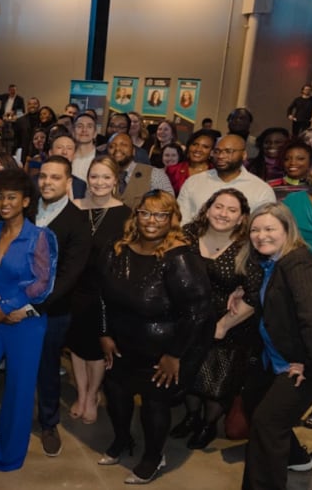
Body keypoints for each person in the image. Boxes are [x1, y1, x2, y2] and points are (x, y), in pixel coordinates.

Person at [97, 190, 211, 484]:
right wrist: (106, 333)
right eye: (145, 212)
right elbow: (103, 297)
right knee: (117, 396)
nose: (151, 220)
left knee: (153, 406)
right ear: (136, 215)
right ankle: (122, 440)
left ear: (172, 219)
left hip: (161, 352)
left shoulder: (180, 258)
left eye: (161, 214)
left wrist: (174, 355)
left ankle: (153, 456)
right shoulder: (118, 249)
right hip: (121, 344)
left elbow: (197, 314)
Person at [0, 168, 58, 471]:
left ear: (26, 200)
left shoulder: (40, 237)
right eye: (1, 197)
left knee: (19, 390)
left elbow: (41, 283)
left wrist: (9, 306)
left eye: (12, 197)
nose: (5, 202)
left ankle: (8, 454)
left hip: (26, 325)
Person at [239, 203, 312, 490]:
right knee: (256, 404)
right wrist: (241, 292)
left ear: (287, 229)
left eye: (270, 229)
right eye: (255, 229)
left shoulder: (298, 263)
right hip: (278, 359)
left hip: (309, 364)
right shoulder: (272, 262)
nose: (261, 235)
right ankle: (296, 457)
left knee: (268, 423)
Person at [168, 189, 262, 450]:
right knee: (188, 375)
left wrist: (222, 326)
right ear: (207, 209)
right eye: (218, 207)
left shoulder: (247, 247)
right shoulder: (186, 235)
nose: (223, 214)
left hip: (227, 326)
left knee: (214, 382)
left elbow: (254, 295)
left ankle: (209, 424)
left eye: (232, 210)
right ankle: (191, 417)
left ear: (242, 218)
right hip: (186, 321)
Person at [32, 156, 90, 456]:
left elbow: (70, 273)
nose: (47, 182)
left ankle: (49, 422)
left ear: (68, 182)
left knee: (47, 366)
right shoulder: (25, 209)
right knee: (16, 366)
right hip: (16, 302)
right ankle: (14, 418)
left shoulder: (78, 220)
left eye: (55, 177)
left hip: (52, 310)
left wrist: (35, 304)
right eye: (43, 176)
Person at [69, 157, 131, 425]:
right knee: (76, 345)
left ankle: (94, 394)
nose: (99, 183)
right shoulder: (74, 208)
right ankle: (81, 393)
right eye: (94, 177)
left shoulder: (125, 213)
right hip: (74, 286)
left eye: (106, 177)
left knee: (95, 349)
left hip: (104, 290)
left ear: (115, 181)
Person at [165, 129, 216, 195]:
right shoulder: (173, 170)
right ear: (189, 146)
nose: (198, 149)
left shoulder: (216, 173)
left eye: (205, 147)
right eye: (195, 144)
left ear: (212, 152)